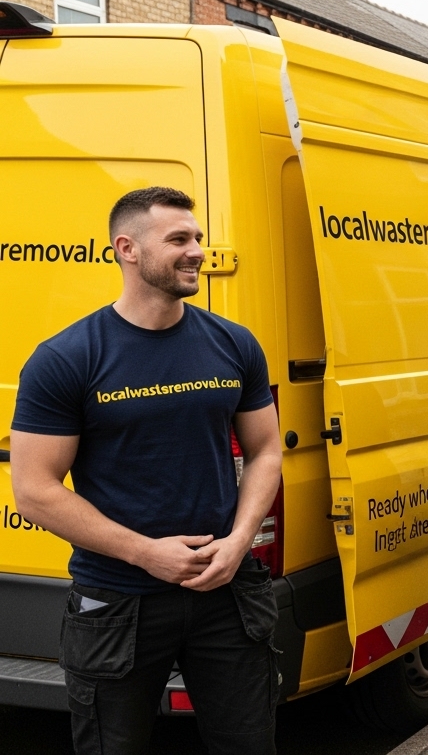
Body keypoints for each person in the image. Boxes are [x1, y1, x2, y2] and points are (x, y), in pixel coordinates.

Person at [9, 187, 283, 754]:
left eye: (198, 238)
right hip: (118, 603)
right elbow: (34, 491)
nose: (197, 251)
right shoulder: (67, 358)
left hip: (226, 593)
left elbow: (265, 451)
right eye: (178, 239)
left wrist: (239, 542)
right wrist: (145, 553)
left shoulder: (233, 343)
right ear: (127, 249)